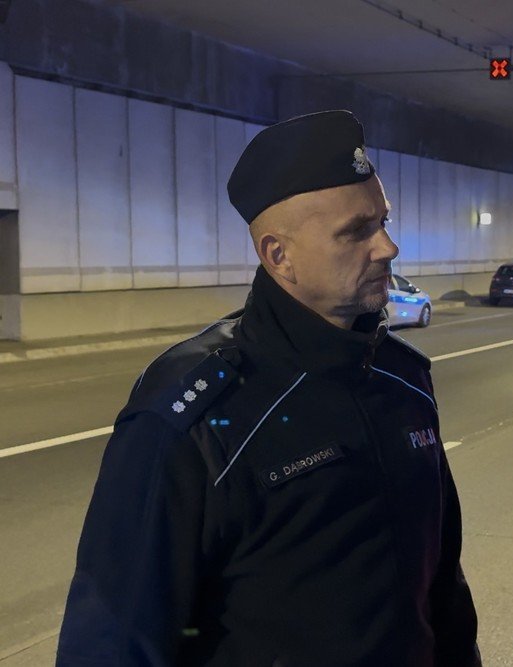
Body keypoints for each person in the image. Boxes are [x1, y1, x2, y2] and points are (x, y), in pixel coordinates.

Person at [57, 110, 481, 666]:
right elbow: (113, 640)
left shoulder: (405, 380)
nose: (387, 247)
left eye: (383, 221)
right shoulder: (197, 414)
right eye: (357, 231)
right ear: (279, 256)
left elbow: (443, 589)